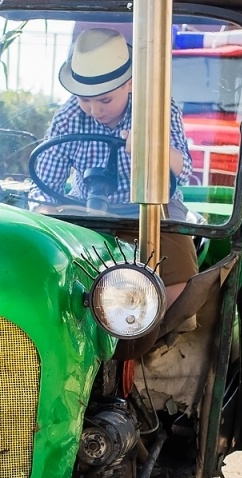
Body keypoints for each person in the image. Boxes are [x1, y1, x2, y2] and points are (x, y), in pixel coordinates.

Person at [36, 27, 200, 296]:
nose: (95, 110)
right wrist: (43, 210)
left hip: (151, 210)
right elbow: (45, 183)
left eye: (105, 99)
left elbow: (182, 171)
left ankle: (155, 335)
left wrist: (151, 148)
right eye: (85, 99)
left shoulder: (157, 108)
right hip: (88, 213)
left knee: (180, 279)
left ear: (130, 83)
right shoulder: (68, 116)